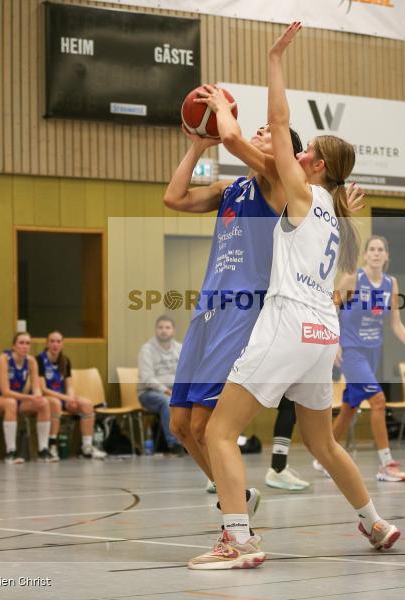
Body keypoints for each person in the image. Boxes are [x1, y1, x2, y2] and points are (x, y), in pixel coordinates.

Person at [189, 22, 400, 570]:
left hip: (287, 325)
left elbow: (262, 130)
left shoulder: (303, 190)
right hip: (321, 334)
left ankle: (238, 539)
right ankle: (375, 521)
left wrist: (274, 60)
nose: (295, 154)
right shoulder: (333, 209)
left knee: (219, 431)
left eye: (305, 154)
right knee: (323, 444)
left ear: (317, 165)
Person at [164, 83, 360, 496]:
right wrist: (198, 147)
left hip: (244, 312)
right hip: (208, 310)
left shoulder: (277, 185)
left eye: (268, 133)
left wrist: (219, 109)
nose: (260, 132)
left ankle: (234, 514)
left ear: (282, 154)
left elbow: (236, 139)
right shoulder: (230, 189)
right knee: (181, 426)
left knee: (205, 424)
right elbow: (174, 198)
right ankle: (236, 496)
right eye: (259, 129)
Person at [316, 235, 405, 483]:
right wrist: (333, 342)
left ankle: (324, 457)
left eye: (381, 250)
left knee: (349, 409)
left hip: (372, 352)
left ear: (387, 256)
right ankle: (386, 464)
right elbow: (329, 308)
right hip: (351, 351)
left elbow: (395, 323)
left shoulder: (391, 283)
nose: (376, 253)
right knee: (378, 401)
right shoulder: (353, 278)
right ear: (365, 255)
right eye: (372, 249)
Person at [0, 332, 55, 464]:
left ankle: (43, 450)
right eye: (21, 343)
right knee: (10, 403)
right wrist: (29, 397)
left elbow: (36, 386)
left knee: (44, 403)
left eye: (28, 343)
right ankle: (11, 452)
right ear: (13, 346)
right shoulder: (4, 359)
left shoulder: (31, 361)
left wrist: (37, 396)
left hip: (18, 399)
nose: (25, 346)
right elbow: (5, 392)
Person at [38, 331, 107, 459]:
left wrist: (71, 397)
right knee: (55, 403)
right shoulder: (39, 359)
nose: (55, 344)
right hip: (46, 398)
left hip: (62, 397)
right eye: (52, 341)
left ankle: (87, 447)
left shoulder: (65, 360)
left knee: (87, 404)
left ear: (63, 344)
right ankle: (51, 446)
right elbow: (43, 389)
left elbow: (69, 385)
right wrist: (66, 398)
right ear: (47, 343)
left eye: (58, 341)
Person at [137, 316, 183, 455]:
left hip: (175, 390)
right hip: (149, 393)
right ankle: (173, 444)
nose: (164, 331)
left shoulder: (180, 348)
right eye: (160, 327)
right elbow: (147, 378)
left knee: (198, 400)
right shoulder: (147, 350)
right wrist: (166, 390)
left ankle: (194, 441)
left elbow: (187, 372)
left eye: (167, 327)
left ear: (173, 331)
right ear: (156, 330)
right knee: (168, 402)